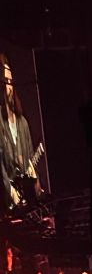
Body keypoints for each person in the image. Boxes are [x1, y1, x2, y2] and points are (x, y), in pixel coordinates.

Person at [0, 53, 41, 212]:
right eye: (6, 82)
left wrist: (36, 181)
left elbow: (30, 157)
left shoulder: (22, 122)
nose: (9, 87)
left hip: (27, 198)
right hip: (8, 202)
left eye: (11, 82)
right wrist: (10, 190)